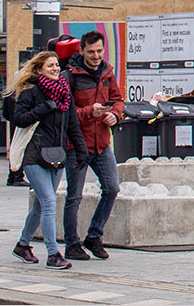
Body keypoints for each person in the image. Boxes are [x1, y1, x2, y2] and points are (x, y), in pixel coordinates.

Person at [5, 48, 88, 269]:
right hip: (34, 155)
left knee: (42, 204)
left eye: (56, 65)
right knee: (50, 201)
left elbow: (72, 125)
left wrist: (81, 151)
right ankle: (53, 254)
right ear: (39, 69)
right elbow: (19, 120)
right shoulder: (30, 93)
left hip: (57, 155)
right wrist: (42, 108)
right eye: (50, 65)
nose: (55, 69)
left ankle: (23, 245)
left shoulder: (64, 93)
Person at [63, 30, 124, 260]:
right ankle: (71, 244)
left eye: (99, 51)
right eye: (91, 52)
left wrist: (115, 115)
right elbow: (65, 113)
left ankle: (94, 236)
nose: (96, 56)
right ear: (82, 51)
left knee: (112, 188)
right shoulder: (71, 76)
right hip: (77, 145)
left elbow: (118, 99)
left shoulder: (107, 72)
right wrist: (91, 111)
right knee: (74, 196)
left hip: (102, 143)